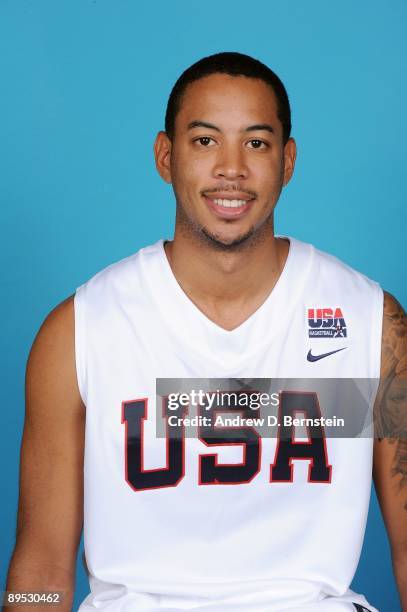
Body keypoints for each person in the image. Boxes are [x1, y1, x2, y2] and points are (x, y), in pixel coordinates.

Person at [4, 52, 406, 612]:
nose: (232, 169)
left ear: (288, 161)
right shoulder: (79, 330)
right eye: (205, 141)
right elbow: (42, 565)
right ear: (165, 157)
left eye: (257, 143)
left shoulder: (370, 323)